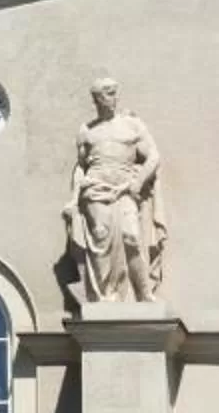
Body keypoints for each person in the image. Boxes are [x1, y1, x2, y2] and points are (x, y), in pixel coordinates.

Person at [64, 77, 165, 303]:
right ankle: (106, 295)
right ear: (97, 99)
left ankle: (143, 292)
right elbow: (81, 167)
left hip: (124, 190)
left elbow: (153, 157)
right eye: (109, 93)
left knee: (132, 236)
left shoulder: (132, 125)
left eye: (115, 93)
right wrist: (73, 200)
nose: (114, 98)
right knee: (101, 238)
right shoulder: (87, 130)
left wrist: (137, 183)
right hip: (95, 190)